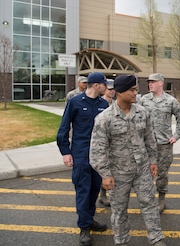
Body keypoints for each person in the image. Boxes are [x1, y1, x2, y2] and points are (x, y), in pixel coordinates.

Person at [90, 75, 166, 246]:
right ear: (119, 92)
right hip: (118, 173)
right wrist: (105, 174)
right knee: (119, 210)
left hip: (142, 170)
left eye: (135, 89)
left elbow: (149, 139)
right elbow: (98, 149)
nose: (135, 93)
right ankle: (121, 240)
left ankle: (156, 238)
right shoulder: (105, 118)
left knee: (149, 205)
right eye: (132, 90)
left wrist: (153, 161)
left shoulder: (142, 113)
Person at [56, 71, 109, 246]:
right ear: (96, 85)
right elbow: (63, 128)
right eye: (104, 84)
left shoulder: (104, 104)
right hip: (81, 155)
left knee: (94, 189)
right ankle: (84, 228)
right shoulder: (75, 102)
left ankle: (90, 219)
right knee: (83, 191)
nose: (106, 87)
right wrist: (65, 152)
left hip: (99, 156)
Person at [139, 73, 180, 213]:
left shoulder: (170, 101)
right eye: (149, 82)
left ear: (161, 83)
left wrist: (177, 135)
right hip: (146, 144)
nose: (150, 84)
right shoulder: (143, 100)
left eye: (153, 82)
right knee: (144, 173)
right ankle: (147, 199)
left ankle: (161, 198)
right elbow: (136, 117)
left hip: (164, 144)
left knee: (162, 173)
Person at [98, 78, 115, 207]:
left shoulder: (115, 104)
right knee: (104, 169)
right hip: (103, 142)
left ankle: (110, 194)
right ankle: (102, 195)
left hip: (114, 143)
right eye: (110, 89)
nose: (112, 91)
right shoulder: (100, 103)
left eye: (114, 89)